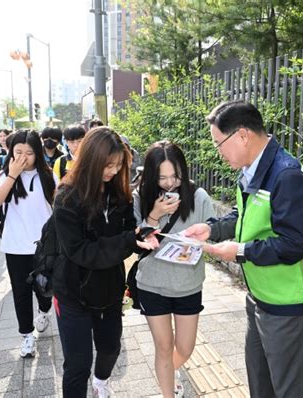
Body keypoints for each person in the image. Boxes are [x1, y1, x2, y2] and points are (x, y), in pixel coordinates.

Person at [185, 100, 303, 398]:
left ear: (241, 135)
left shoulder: (287, 176)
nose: (218, 152)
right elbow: (244, 215)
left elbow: (295, 244)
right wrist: (212, 229)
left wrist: (240, 251)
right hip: (261, 299)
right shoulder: (253, 169)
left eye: (218, 143)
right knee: (261, 387)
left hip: (291, 306)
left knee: (290, 391)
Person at [52, 126, 158, 397]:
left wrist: (141, 237)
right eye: (108, 165)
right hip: (72, 293)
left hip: (109, 291)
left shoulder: (119, 194)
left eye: (118, 165)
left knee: (111, 347)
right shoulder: (67, 197)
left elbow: (128, 233)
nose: (113, 171)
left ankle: (101, 382)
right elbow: (81, 252)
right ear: (90, 160)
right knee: (77, 365)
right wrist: (126, 241)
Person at [133, 141, 215, 397]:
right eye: (162, 178)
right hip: (151, 285)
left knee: (186, 347)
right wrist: (155, 214)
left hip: (188, 284)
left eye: (175, 176)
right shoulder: (139, 197)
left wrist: (200, 242)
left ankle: (168, 372)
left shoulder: (198, 196)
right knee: (164, 348)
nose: (170, 184)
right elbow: (136, 238)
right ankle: (167, 389)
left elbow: (211, 231)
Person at [0, 130, 56, 358]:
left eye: (29, 153)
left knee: (45, 288)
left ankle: (44, 311)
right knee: (21, 292)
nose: (23, 157)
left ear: (37, 153)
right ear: (11, 152)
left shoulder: (47, 176)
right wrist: (12, 175)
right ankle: (27, 335)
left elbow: (57, 207)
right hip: (16, 246)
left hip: (44, 247)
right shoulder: (5, 176)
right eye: (18, 152)